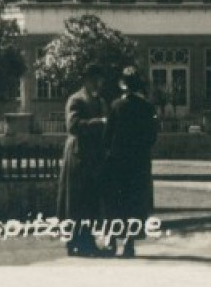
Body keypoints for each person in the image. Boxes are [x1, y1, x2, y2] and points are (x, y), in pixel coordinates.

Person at [104, 66, 159, 258]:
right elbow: (152, 136)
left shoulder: (115, 106)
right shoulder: (147, 107)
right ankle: (129, 242)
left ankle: (111, 239)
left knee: (115, 201)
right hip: (139, 163)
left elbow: (107, 135)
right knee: (135, 202)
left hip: (118, 162)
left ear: (123, 85)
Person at [58, 63, 111, 256]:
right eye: (96, 80)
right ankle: (73, 242)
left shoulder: (100, 101)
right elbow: (73, 126)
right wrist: (99, 123)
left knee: (90, 201)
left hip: (94, 156)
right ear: (87, 80)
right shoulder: (76, 100)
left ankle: (87, 241)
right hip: (78, 155)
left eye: (100, 80)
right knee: (75, 201)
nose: (99, 84)